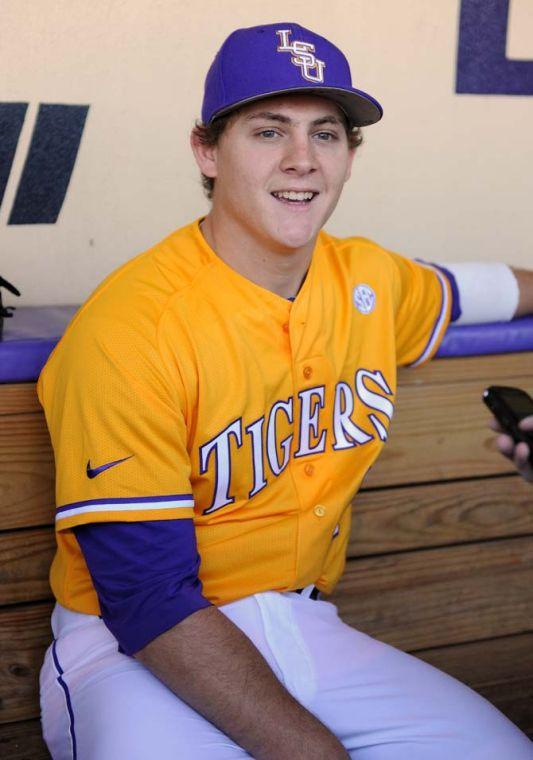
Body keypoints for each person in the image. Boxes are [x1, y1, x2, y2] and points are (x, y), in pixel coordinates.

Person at [38, 22, 533, 759]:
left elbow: (486, 290)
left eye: (325, 134)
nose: (301, 161)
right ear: (207, 149)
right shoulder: (130, 328)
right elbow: (146, 599)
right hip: (133, 644)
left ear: (348, 156)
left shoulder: (366, 277)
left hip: (305, 626)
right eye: (268, 131)